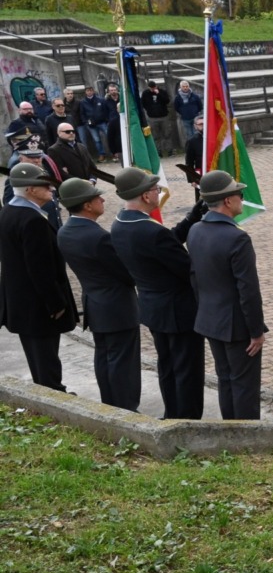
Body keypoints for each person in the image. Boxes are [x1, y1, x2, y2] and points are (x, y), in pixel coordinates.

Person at [110, 167, 206, 420]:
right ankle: (187, 422)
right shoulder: (151, 230)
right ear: (144, 196)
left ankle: (172, 413)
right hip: (179, 311)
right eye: (155, 189)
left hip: (153, 308)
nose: (158, 192)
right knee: (187, 371)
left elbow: (166, 242)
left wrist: (191, 218)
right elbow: (187, 268)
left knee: (168, 367)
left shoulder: (120, 223)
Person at [188, 170, 268, 420]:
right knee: (244, 385)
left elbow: (194, 278)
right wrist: (256, 331)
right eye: (239, 195)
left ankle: (229, 430)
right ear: (227, 201)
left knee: (226, 379)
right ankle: (247, 437)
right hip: (237, 326)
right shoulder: (237, 238)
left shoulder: (195, 231)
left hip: (210, 319)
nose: (242, 200)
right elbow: (248, 291)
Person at [56, 178, 141, 411]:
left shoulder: (65, 231)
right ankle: (126, 410)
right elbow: (126, 273)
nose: (103, 199)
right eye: (97, 197)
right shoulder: (98, 236)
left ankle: (110, 405)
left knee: (104, 358)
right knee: (123, 362)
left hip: (95, 303)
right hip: (117, 307)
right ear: (87, 205)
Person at [0, 163, 77, 391]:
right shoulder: (32, 220)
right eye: (45, 186)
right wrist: (56, 303)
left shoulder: (8, 211)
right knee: (46, 358)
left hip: (20, 302)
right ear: (31, 190)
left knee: (37, 356)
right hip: (38, 305)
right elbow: (40, 268)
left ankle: (47, 392)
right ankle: (55, 398)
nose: (51, 190)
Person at [78, 84, 111, 161]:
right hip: (91, 125)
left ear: (93, 91)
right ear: (85, 92)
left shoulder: (101, 100)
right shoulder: (83, 102)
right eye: (87, 90)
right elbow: (82, 114)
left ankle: (114, 153)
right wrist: (86, 122)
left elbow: (106, 110)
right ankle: (102, 154)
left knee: (109, 136)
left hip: (102, 122)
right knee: (97, 140)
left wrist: (106, 120)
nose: (89, 92)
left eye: (91, 90)